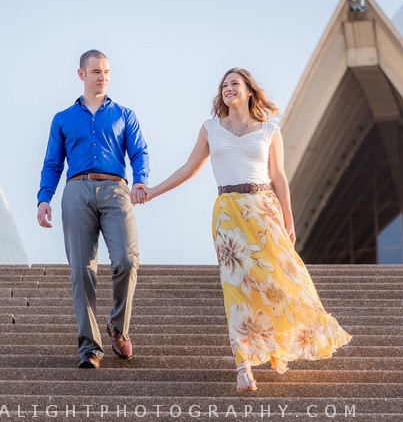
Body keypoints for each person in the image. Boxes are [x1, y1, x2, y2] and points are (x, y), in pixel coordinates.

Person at [136, 68, 351, 391]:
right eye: (223, 85)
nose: (227, 89)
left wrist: (289, 220)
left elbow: (279, 177)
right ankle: (243, 365)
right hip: (228, 212)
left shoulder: (269, 131)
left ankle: (286, 336)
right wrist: (152, 192)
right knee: (236, 285)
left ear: (250, 91)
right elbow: (189, 169)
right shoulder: (211, 129)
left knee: (280, 278)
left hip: (263, 208)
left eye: (234, 84)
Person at [37, 49, 149, 369]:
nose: (103, 77)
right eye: (97, 71)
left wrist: (140, 180)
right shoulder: (62, 119)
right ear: (81, 74)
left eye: (107, 72)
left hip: (116, 189)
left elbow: (140, 152)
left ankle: (119, 327)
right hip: (76, 190)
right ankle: (90, 347)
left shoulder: (125, 115)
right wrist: (44, 198)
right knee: (81, 271)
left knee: (127, 260)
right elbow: (52, 163)